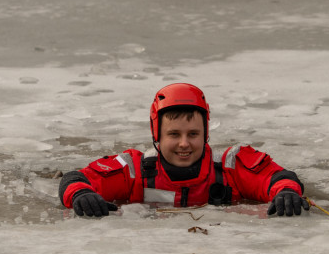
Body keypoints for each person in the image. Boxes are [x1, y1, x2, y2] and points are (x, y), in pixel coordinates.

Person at [58, 83, 309, 218]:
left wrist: (286, 193)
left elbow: (277, 178)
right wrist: (81, 196)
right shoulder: (133, 171)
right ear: (157, 134)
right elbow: (76, 179)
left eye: (193, 134)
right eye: (174, 134)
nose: (184, 144)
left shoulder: (232, 166)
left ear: (206, 133)